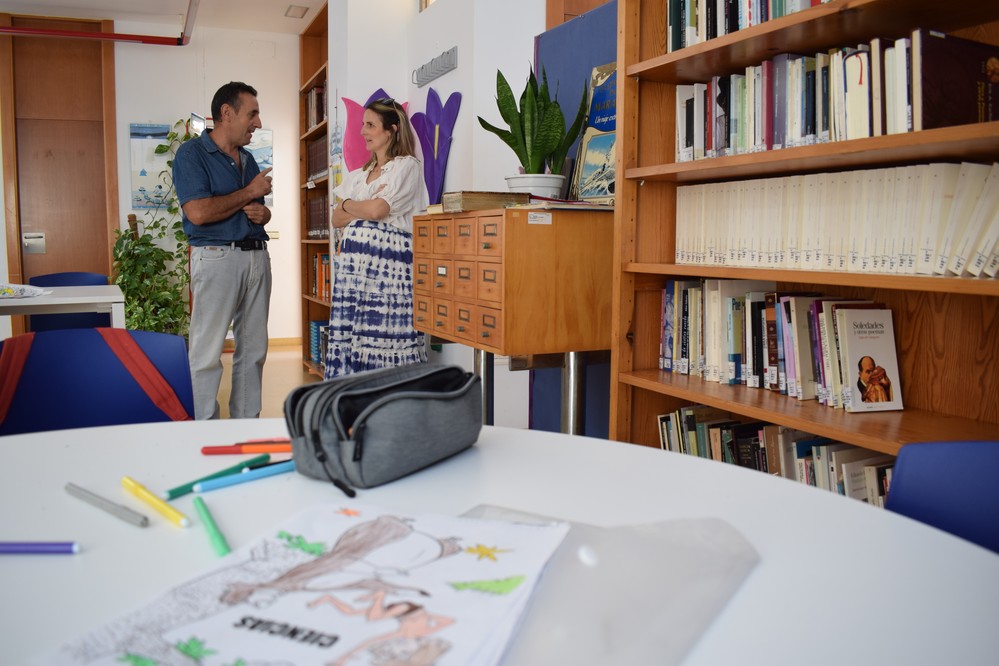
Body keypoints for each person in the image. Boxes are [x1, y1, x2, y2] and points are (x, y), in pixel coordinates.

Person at [173, 81, 273, 419]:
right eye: (253, 113)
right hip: (216, 258)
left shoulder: (248, 160)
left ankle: (246, 424)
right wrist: (249, 192)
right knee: (207, 352)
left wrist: (265, 212)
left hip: (257, 256)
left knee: (255, 349)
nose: (257, 123)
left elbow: (258, 211)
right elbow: (198, 213)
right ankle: (203, 429)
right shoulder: (191, 154)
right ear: (226, 113)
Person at [325, 97, 427, 379]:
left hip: (389, 273)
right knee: (351, 339)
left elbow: (378, 209)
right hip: (353, 277)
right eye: (363, 124)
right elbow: (336, 218)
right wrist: (353, 208)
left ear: (392, 129)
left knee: (385, 338)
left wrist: (351, 207)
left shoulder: (406, 166)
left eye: (370, 125)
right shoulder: (361, 175)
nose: (363, 132)